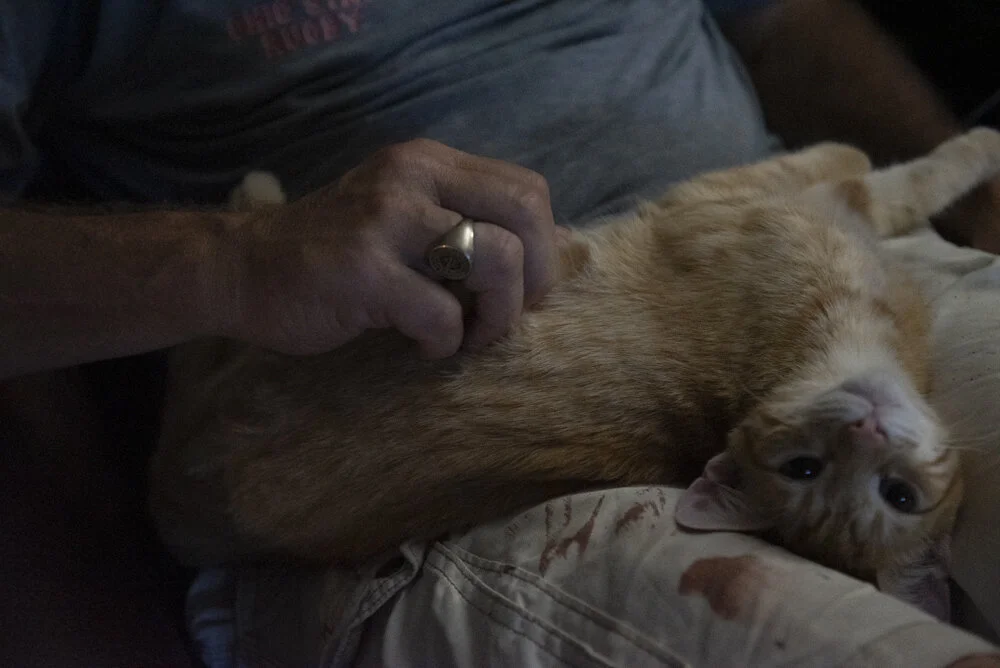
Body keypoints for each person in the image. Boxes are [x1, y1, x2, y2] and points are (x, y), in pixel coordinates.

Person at [1, 0, 999, 665]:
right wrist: (238, 258)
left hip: (846, 269)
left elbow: (776, 19)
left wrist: (980, 199)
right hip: (426, 458)